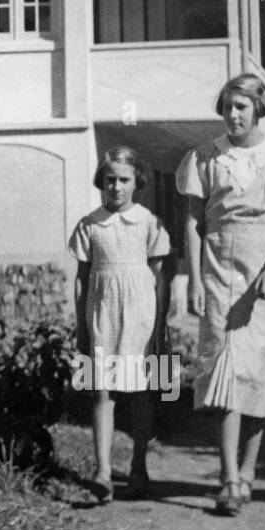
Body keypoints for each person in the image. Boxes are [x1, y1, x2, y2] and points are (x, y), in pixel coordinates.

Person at [176, 74, 265, 515]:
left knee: (257, 376)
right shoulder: (205, 158)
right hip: (218, 268)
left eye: (242, 107)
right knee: (225, 373)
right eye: (228, 106)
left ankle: (248, 471)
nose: (233, 115)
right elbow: (194, 224)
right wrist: (194, 278)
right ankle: (228, 477)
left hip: (261, 273)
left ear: (258, 109)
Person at [70, 146, 170, 503]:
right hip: (102, 315)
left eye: (124, 180)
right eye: (109, 179)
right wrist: (81, 324)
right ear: (101, 181)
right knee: (103, 390)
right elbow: (82, 279)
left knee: (141, 391)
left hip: (141, 316)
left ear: (136, 182)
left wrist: (159, 328)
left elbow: (160, 280)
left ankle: (139, 468)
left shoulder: (148, 223)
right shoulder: (90, 224)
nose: (116, 186)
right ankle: (103, 472)